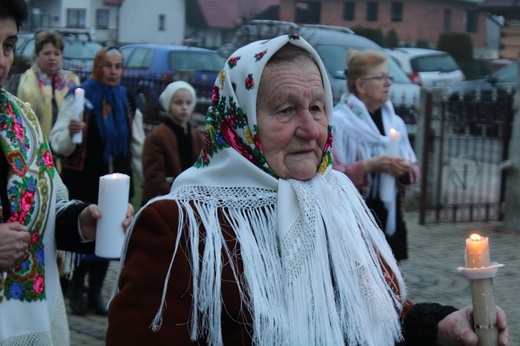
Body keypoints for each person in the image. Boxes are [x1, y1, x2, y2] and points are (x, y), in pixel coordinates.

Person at [106, 35, 509, 345]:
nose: (312, 128)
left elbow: (378, 313)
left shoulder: (338, 197)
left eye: (317, 107)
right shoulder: (181, 226)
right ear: (239, 121)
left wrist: (438, 326)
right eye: (285, 109)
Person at [0, 0, 134, 344]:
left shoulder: (22, 120)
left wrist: (82, 221)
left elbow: (50, 204)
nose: (2, 60)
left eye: (8, 45)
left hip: (29, 323)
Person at [49, 46, 142, 316]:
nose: (113, 71)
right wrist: (70, 131)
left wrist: (147, 176)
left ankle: (95, 292)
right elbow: (58, 143)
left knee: (112, 235)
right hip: (84, 180)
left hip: (117, 182)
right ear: (97, 66)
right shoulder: (81, 97)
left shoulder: (126, 100)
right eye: (107, 65)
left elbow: (136, 143)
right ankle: (76, 288)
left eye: (118, 66)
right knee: (86, 233)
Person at [332, 49, 419, 262]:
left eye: (389, 77)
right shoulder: (338, 122)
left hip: (389, 213)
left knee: (392, 278)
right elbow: (329, 174)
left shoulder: (394, 121)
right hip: (355, 213)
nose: (389, 83)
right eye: (381, 78)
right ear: (361, 85)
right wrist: (368, 166)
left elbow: (414, 168)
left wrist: (404, 170)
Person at [141, 81, 204, 205]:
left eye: (188, 102)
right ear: (168, 105)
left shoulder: (197, 137)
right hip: (162, 203)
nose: (184, 107)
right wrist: (173, 198)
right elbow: (154, 176)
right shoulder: (156, 137)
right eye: (178, 103)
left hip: (190, 202)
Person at [17, 30, 80, 140]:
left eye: (57, 54)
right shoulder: (27, 80)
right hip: (37, 143)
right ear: (37, 56)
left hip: (64, 147)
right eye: (47, 53)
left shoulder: (71, 81)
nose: (52, 58)